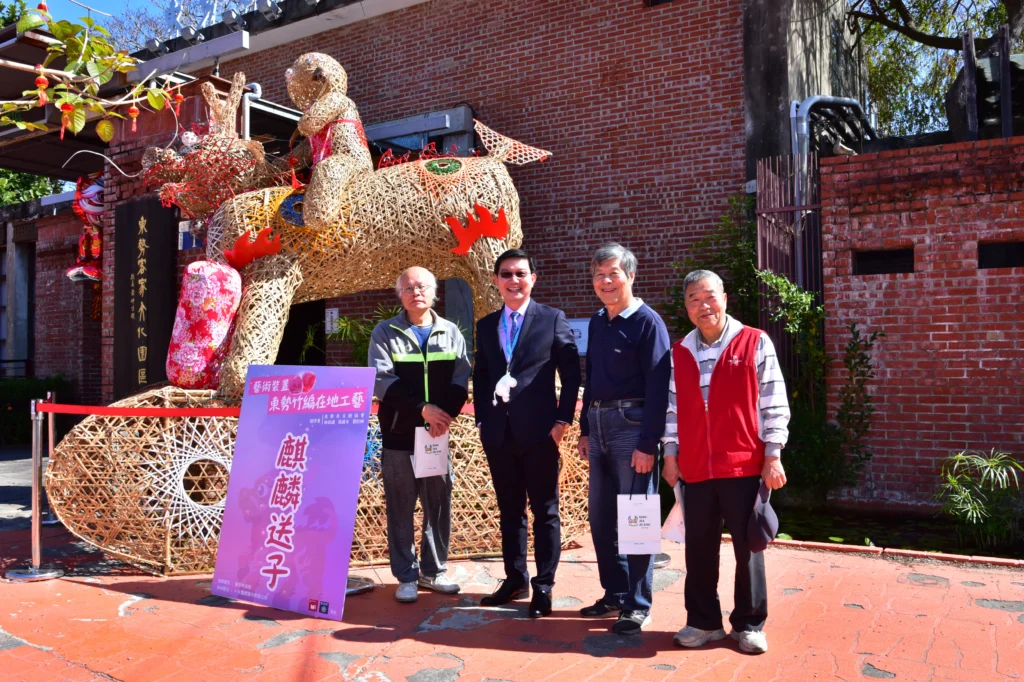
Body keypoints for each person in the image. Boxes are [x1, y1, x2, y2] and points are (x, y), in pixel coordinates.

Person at [661, 269, 790, 654]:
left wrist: (773, 454)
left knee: (749, 548)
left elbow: (774, 403)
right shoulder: (679, 351)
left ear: (725, 298)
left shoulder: (754, 342)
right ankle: (703, 623)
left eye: (709, 296)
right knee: (698, 548)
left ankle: (749, 624)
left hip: (744, 464)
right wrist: (670, 455)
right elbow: (672, 411)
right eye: (694, 300)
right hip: (696, 467)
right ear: (686, 308)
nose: (704, 306)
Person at [474, 248, 581, 618]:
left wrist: (562, 422)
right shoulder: (487, 326)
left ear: (533, 279)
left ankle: (544, 585)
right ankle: (515, 578)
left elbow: (571, 375)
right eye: (506, 274)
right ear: (496, 281)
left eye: (521, 274)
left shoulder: (552, 319)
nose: (514, 281)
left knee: (545, 511)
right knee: (509, 511)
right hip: (499, 435)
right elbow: (483, 374)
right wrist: (482, 421)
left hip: (539, 433)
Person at [576, 243, 671, 635]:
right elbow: (590, 374)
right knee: (601, 518)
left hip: (632, 427)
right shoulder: (599, 321)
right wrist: (584, 426)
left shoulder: (649, 323)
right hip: (597, 423)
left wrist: (648, 443)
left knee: (637, 519)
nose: (606, 281)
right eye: (599, 275)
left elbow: (660, 385)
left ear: (631, 276)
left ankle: (638, 604)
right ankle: (614, 593)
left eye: (613, 273)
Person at [369, 266, 471, 603]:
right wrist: (422, 409)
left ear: (435, 292)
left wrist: (443, 417)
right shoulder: (386, 332)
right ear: (400, 294)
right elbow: (382, 381)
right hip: (399, 437)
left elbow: (461, 379)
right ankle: (406, 575)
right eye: (409, 287)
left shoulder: (450, 332)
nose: (417, 292)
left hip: (436, 436)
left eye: (423, 286)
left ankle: (434, 570)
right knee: (400, 507)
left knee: (438, 505)